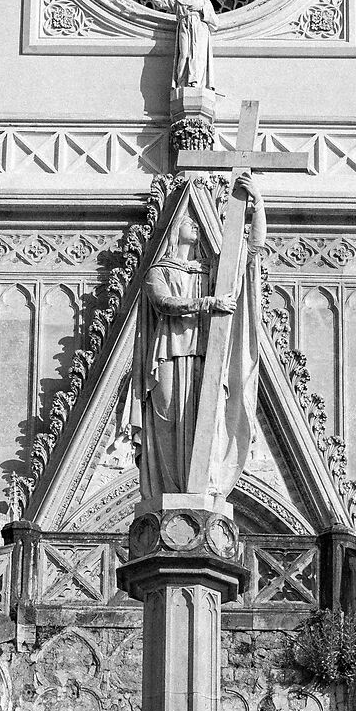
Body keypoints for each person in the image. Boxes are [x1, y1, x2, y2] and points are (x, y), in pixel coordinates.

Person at [131, 175, 266, 506]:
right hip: (168, 353)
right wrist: (208, 304)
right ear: (174, 228)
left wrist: (258, 206)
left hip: (207, 353)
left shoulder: (212, 272)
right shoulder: (158, 270)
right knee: (165, 418)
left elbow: (251, 252)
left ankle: (203, 484)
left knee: (208, 416)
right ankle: (167, 486)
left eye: (196, 220)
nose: (193, 224)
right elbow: (163, 303)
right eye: (187, 219)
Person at [146, 0, 217, 94]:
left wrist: (202, 12)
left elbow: (215, 22)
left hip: (201, 30)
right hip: (185, 27)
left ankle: (196, 83)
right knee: (184, 54)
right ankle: (182, 82)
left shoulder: (205, 2)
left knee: (199, 57)